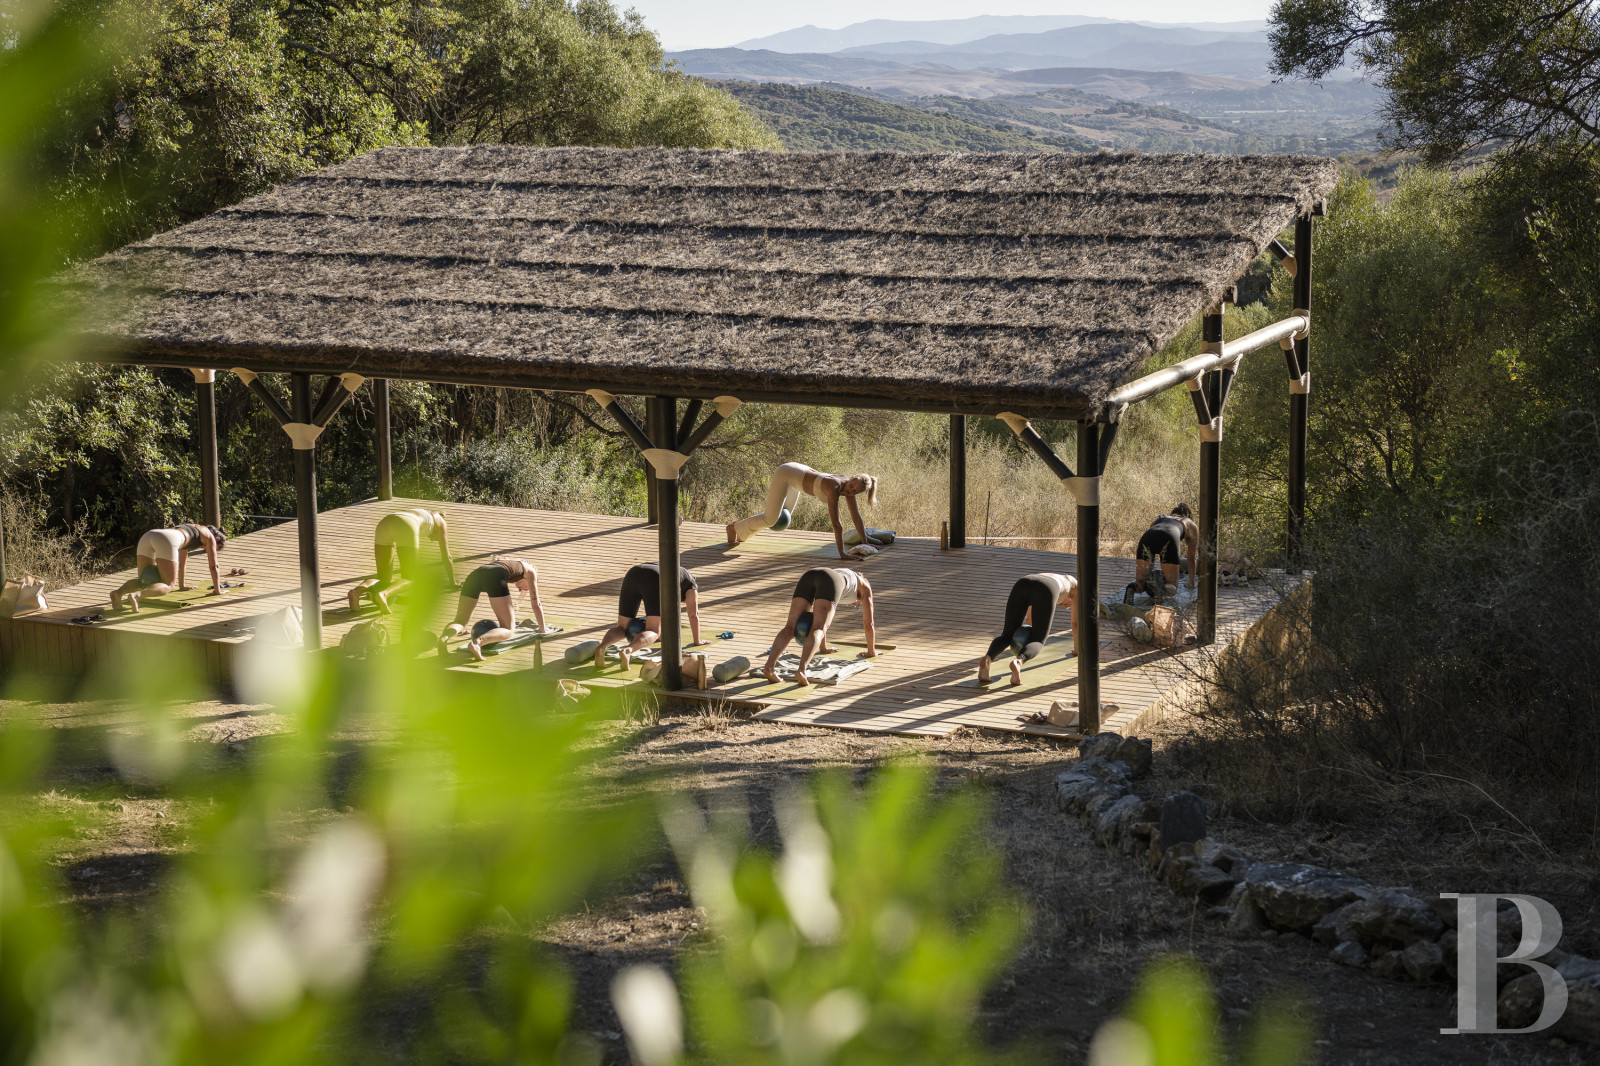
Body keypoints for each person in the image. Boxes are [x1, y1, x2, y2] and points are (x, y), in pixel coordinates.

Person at [728, 463, 879, 561]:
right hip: (787, 474)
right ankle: (733, 528)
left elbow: (856, 518)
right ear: (851, 478)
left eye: (855, 491)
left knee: (782, 520)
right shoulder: (834, 487)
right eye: (852, 485)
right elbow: (836, 524)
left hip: (798, 479)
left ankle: (741, 530)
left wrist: (866, 545)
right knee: (771, 519)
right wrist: (842, 554)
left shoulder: (848, 490)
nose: (850, 490)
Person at [763, 567, 877, 685]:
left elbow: (821, 612)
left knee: (790, 627)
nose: (855, 604)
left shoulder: (847, 577)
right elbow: (869, 624)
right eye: (858, 603)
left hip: (810, 575)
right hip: (830, 580)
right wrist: (871, 652)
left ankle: (769, 667)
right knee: (818, 628)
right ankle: (801, 670)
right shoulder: (865, 587)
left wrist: (823, 648)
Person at [977, 572, 1079, 686]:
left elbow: (1029, 620)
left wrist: (1025, 642)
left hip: (1023, 582)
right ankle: (1018, 662)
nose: (1063, 606)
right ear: (1069, 600)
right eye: (1066, 605)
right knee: (1039, 640)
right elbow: (1075, 623)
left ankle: (987, 658)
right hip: (1047, 588)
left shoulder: (1052, 576)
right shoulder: (1075, 586)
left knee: (1007, 634)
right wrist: (1077, 649)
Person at [594, 562, 702, 669]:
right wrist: (697, 641)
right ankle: (628, 650)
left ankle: (601, 647)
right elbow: (693, 615)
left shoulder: (677, 574)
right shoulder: (691, 584)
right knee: (654, 630)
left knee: (622, 627)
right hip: (655, 578)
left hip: (633, 572)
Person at [440, 556, 548, 661]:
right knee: (509, 629)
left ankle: (443, 639)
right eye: (527, 588)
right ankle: (477, 643)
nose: (522, 590)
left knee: (460, 620)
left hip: (474, 575)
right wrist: (542, 629)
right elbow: (536, 604)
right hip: (495, 575)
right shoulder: (531, 571)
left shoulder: (511, 564)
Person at [348, 507, 454, 611]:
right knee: (410, 578)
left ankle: (356, 592)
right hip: (407, 524)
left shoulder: (423, 513)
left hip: (386, 522)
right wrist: (453, 582)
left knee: (383, 578)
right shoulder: (442, 523)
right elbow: (447, 556)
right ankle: (384, 594)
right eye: (435, 539)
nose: (432, 540)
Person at [110, 524, 227, 612]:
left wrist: (182, 585)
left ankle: (118, 593)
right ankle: (136, 595)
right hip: (166, 539)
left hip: (148, 536)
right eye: (213, 548)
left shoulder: (191, 529)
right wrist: (217, 590)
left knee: (143, 581)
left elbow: (182, 562)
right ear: (217, 540)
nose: (205, 549)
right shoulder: (210, 536)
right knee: (168, 585)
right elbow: (214, 565)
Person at [1134, 504, 1198, 602]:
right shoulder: (1190, 524)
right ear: (1187, 515)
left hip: (1147, 536)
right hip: (1170, 538)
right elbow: (1191, 558)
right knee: (1172, 586)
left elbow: (1156, 540)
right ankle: (1161, 589)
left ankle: (1131, 588)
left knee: (1141, 581)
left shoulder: (1160, 517)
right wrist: (1191, 582)